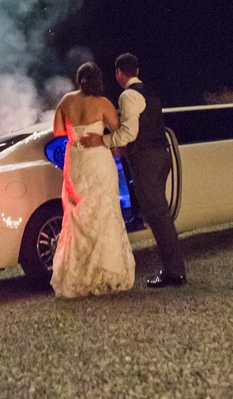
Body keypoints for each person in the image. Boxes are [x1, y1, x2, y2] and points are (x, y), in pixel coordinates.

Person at [80, 53, 186, 288]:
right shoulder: (151, 91)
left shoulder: (128, 95)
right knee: (161, 214)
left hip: (146, 161)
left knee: (159, 217)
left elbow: (130, 133)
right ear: (136, 70)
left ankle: (174, 272)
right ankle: (174, 268)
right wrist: (126, 150)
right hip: (161, 155)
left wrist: (104, 141)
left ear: (119, 73)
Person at [51, 61, 135, 297]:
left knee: (77, 214)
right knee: (102, 211)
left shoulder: (66, 101)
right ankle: (105, 271)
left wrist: (74, 130)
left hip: (75, 160)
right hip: (97, 160)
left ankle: (77, 275)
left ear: (78, 79)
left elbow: (57, 131)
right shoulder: (103, 103)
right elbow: (118, 131)